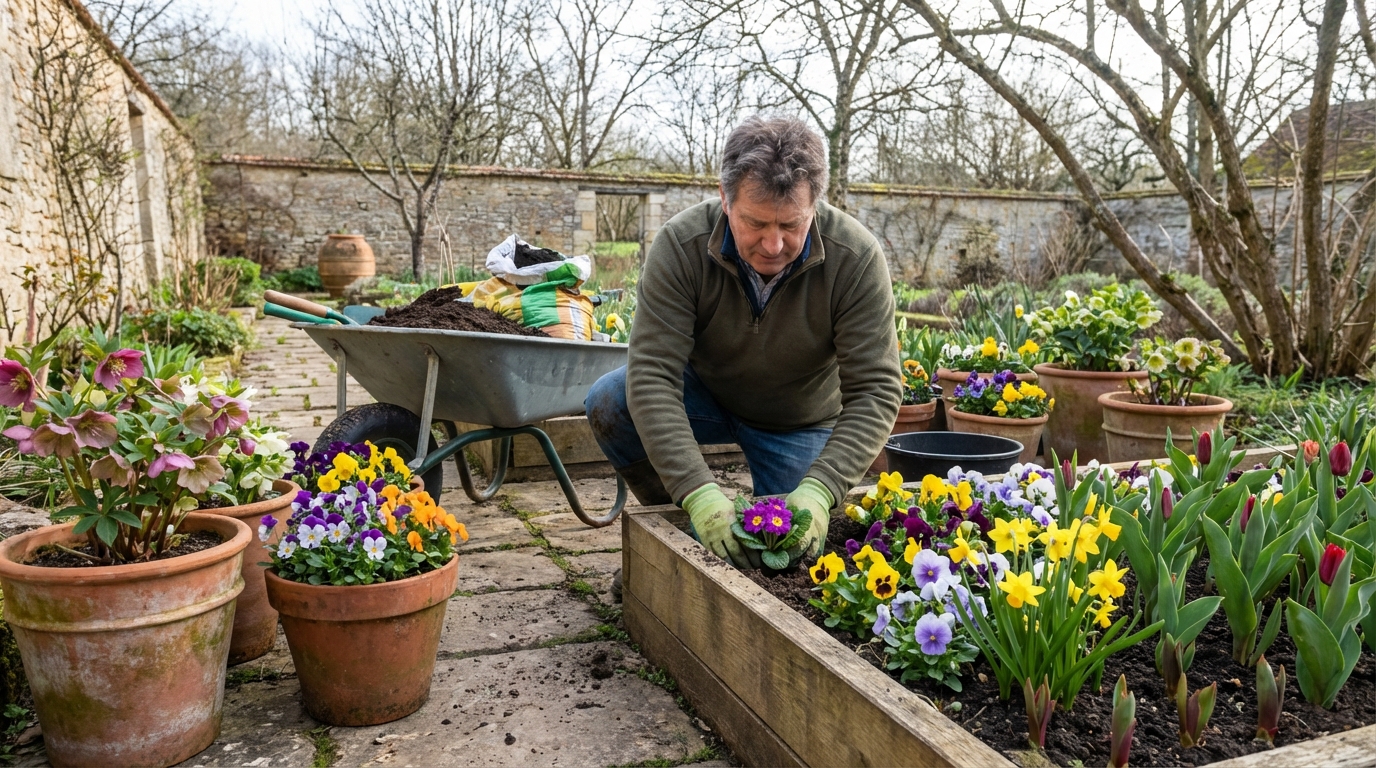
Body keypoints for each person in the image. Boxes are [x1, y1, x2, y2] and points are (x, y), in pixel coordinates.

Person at [586, 115, 901, 569]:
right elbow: (653, 376)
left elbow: (875, 390)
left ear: (816, 205)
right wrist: (697, 494)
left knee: (791, 555)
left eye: (792, 225)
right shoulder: (682, 245)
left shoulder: (855, 257)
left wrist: (820, 488)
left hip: (800, 420)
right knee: (611, 400)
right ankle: (679, 535)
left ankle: (743, 526)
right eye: (755, 223)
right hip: (708, 397)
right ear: (724, 198)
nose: (773, 245)